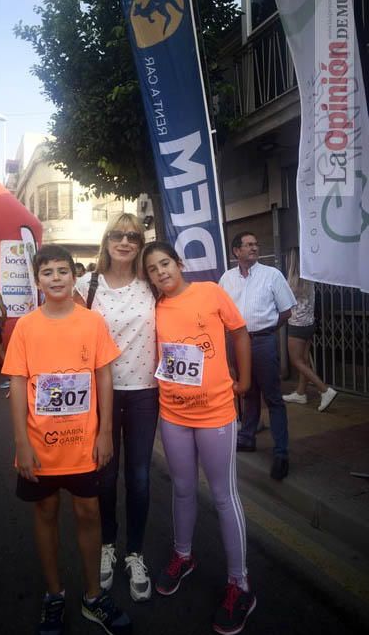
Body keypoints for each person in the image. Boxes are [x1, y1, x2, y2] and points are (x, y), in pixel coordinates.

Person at [2, 244, 131, 635]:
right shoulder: (26, 326)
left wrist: (105, 431)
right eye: (47, 273)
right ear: (38, 281)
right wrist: (21, 442)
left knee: (88, 512)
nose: (56, 278)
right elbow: (19, 383)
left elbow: (104, 377)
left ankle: (93, 597)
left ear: (74, 277)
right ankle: (54, 594)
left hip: (84, 443)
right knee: (45, 513)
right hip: (40, 446)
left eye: (62, 271)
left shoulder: (92, 322)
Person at [142, 241, 255, 635]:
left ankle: (240, 585)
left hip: (216, 414)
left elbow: (240, 332)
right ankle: (183, 556)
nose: (161, 273)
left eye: (165, 264)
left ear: (179, 263)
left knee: (224, 496)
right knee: (183, 490)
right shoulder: (154, 307)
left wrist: (246, 379)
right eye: (153, 269)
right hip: (173, 415)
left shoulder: (210, 292)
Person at [74, 213, 158, 603]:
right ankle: (107, 544)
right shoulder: (85, 285)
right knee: (104, 476)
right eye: (118, 235)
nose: (125, 241)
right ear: (106, 241)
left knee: (138, 477)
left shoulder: (152, 285)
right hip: (99, 393)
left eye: (133, 236)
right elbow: (62, 332)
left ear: (140, 245)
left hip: (144, 392)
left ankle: (135, 553)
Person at [219, 232, 296, 481]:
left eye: (256, 244)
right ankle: (247, 438)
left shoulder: (272, 275)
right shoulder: (226, 279)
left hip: (263, 341)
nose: (254, 248)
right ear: (236, 251)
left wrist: (267, 331)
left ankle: (281, 453)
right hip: (235, 342)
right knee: (247, 392)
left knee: (273, 397)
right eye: (248, 245)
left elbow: (286, 311)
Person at [283, 248, 337, 412]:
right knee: (304, 360)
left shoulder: (291, 282)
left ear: (291, 261)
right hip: (309, 324)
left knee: (297, 361)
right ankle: (300, 393)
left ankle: (324, 390)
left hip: (297, 326)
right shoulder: (309, 278)